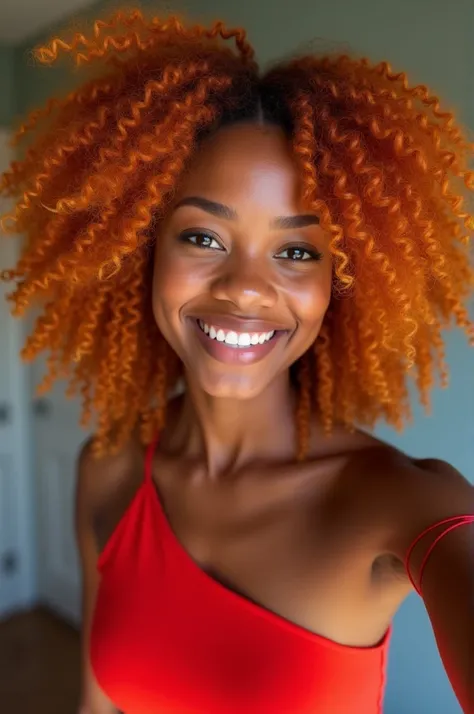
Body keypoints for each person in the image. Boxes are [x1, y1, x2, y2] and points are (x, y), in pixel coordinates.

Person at [1, 9, 473, 714]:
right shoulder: (109, 467)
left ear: (338, 284)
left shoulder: (404, 507)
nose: (247, 286)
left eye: (296, 251)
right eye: (203, 236)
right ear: (142, 255)